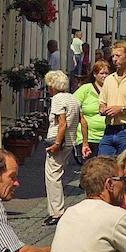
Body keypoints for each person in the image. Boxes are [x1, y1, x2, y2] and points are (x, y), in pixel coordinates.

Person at [43, 70, 84, 227]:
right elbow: (82, 121)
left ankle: (56, 212)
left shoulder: (58, 99)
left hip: (58, 140)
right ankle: (56, 211)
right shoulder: (73, 98)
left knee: (52, 177)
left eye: (49, 85)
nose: (48, 88)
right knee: (57, 174)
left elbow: (62, 123)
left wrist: (56, 144)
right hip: (70, 140)